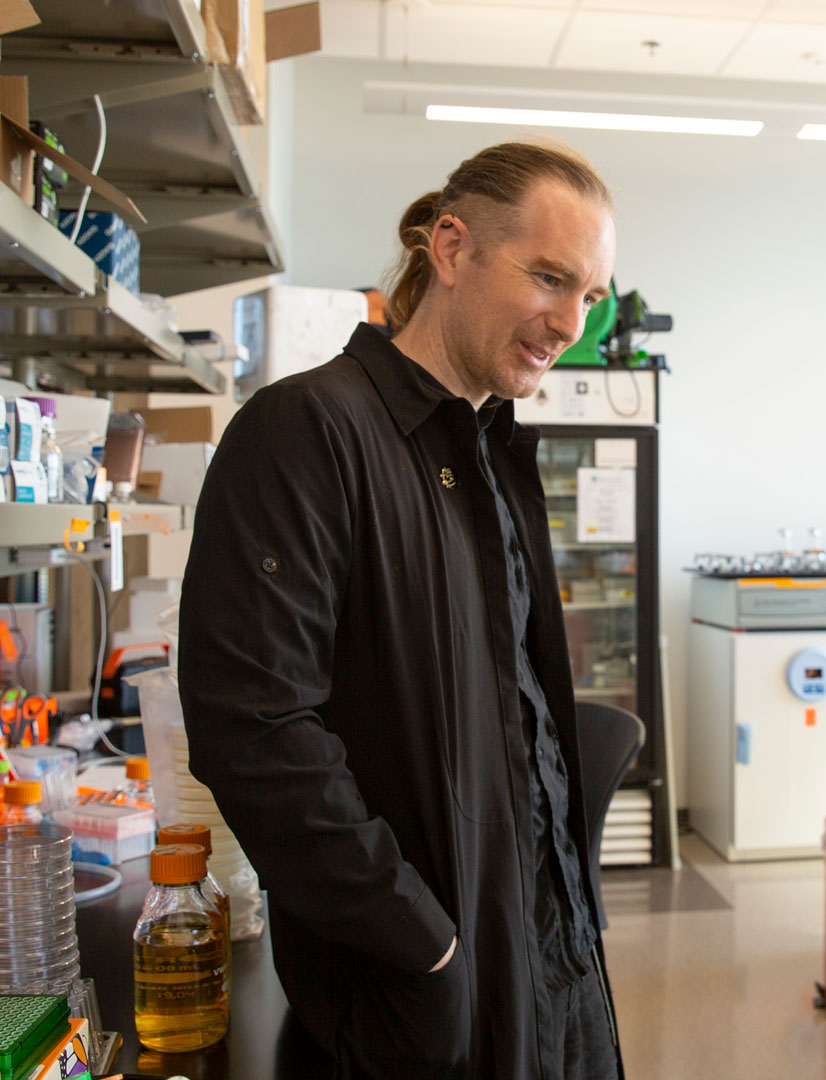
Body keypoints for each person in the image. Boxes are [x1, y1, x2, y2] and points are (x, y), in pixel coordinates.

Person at [178, 141, 622, 1080]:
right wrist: (425, 945)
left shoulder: (493, 453)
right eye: (550, 278)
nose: (569, 323)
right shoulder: (307, 433)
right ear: (451, 250)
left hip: (550, 958)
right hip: (418, 992)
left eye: (591, 295)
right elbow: (254, 731)